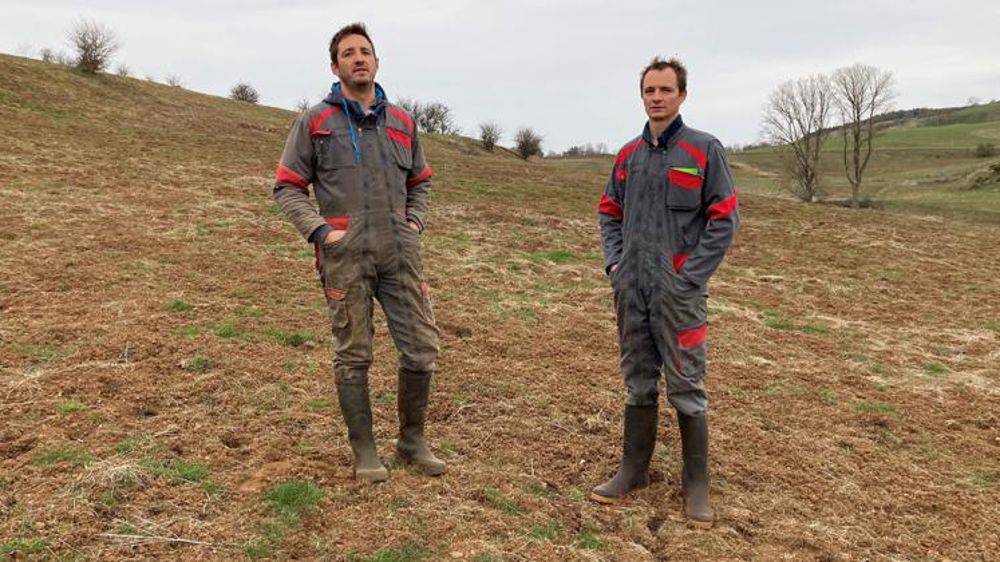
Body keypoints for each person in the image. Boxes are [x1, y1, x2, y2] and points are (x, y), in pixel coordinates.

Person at [272, 22, 444, 483]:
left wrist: (414, 224)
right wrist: (321, 231)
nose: (358, 58)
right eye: (348, 53)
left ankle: (412, 441)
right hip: (345, 256)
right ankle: (365, 450)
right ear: (335, 66)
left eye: (365, 51)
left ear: (377, 62)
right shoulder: (314, 122)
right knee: (353, 354)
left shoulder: (404, 122)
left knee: (421, 349)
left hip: (399, 255)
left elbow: (421, 181)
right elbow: (287, 187)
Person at [592, 57, 739, 528]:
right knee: (638, 380)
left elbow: (725, 219)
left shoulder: (703, 151)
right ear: (642, 95)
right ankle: (633, 470)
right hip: (631, 288)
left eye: (665, 90)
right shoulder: (627, 155)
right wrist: (615, 263)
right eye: (649, 90)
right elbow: (608, 211)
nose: (656, 97)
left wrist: (689, 275)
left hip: (679, 294)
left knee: (687, 386)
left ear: (682, 95)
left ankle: (696, 483)